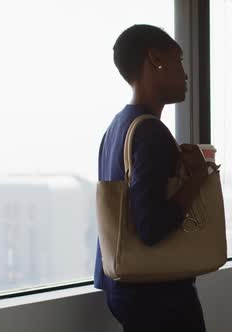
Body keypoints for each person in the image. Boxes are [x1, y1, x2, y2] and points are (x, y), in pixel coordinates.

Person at [94, 24, 209, 332]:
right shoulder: (150, 131)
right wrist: (198, 178)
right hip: (160, 296)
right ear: (155, 59)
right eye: (179, 60)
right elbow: (151, 227)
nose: (185, 74)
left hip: (126, 289)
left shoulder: (116, 127)